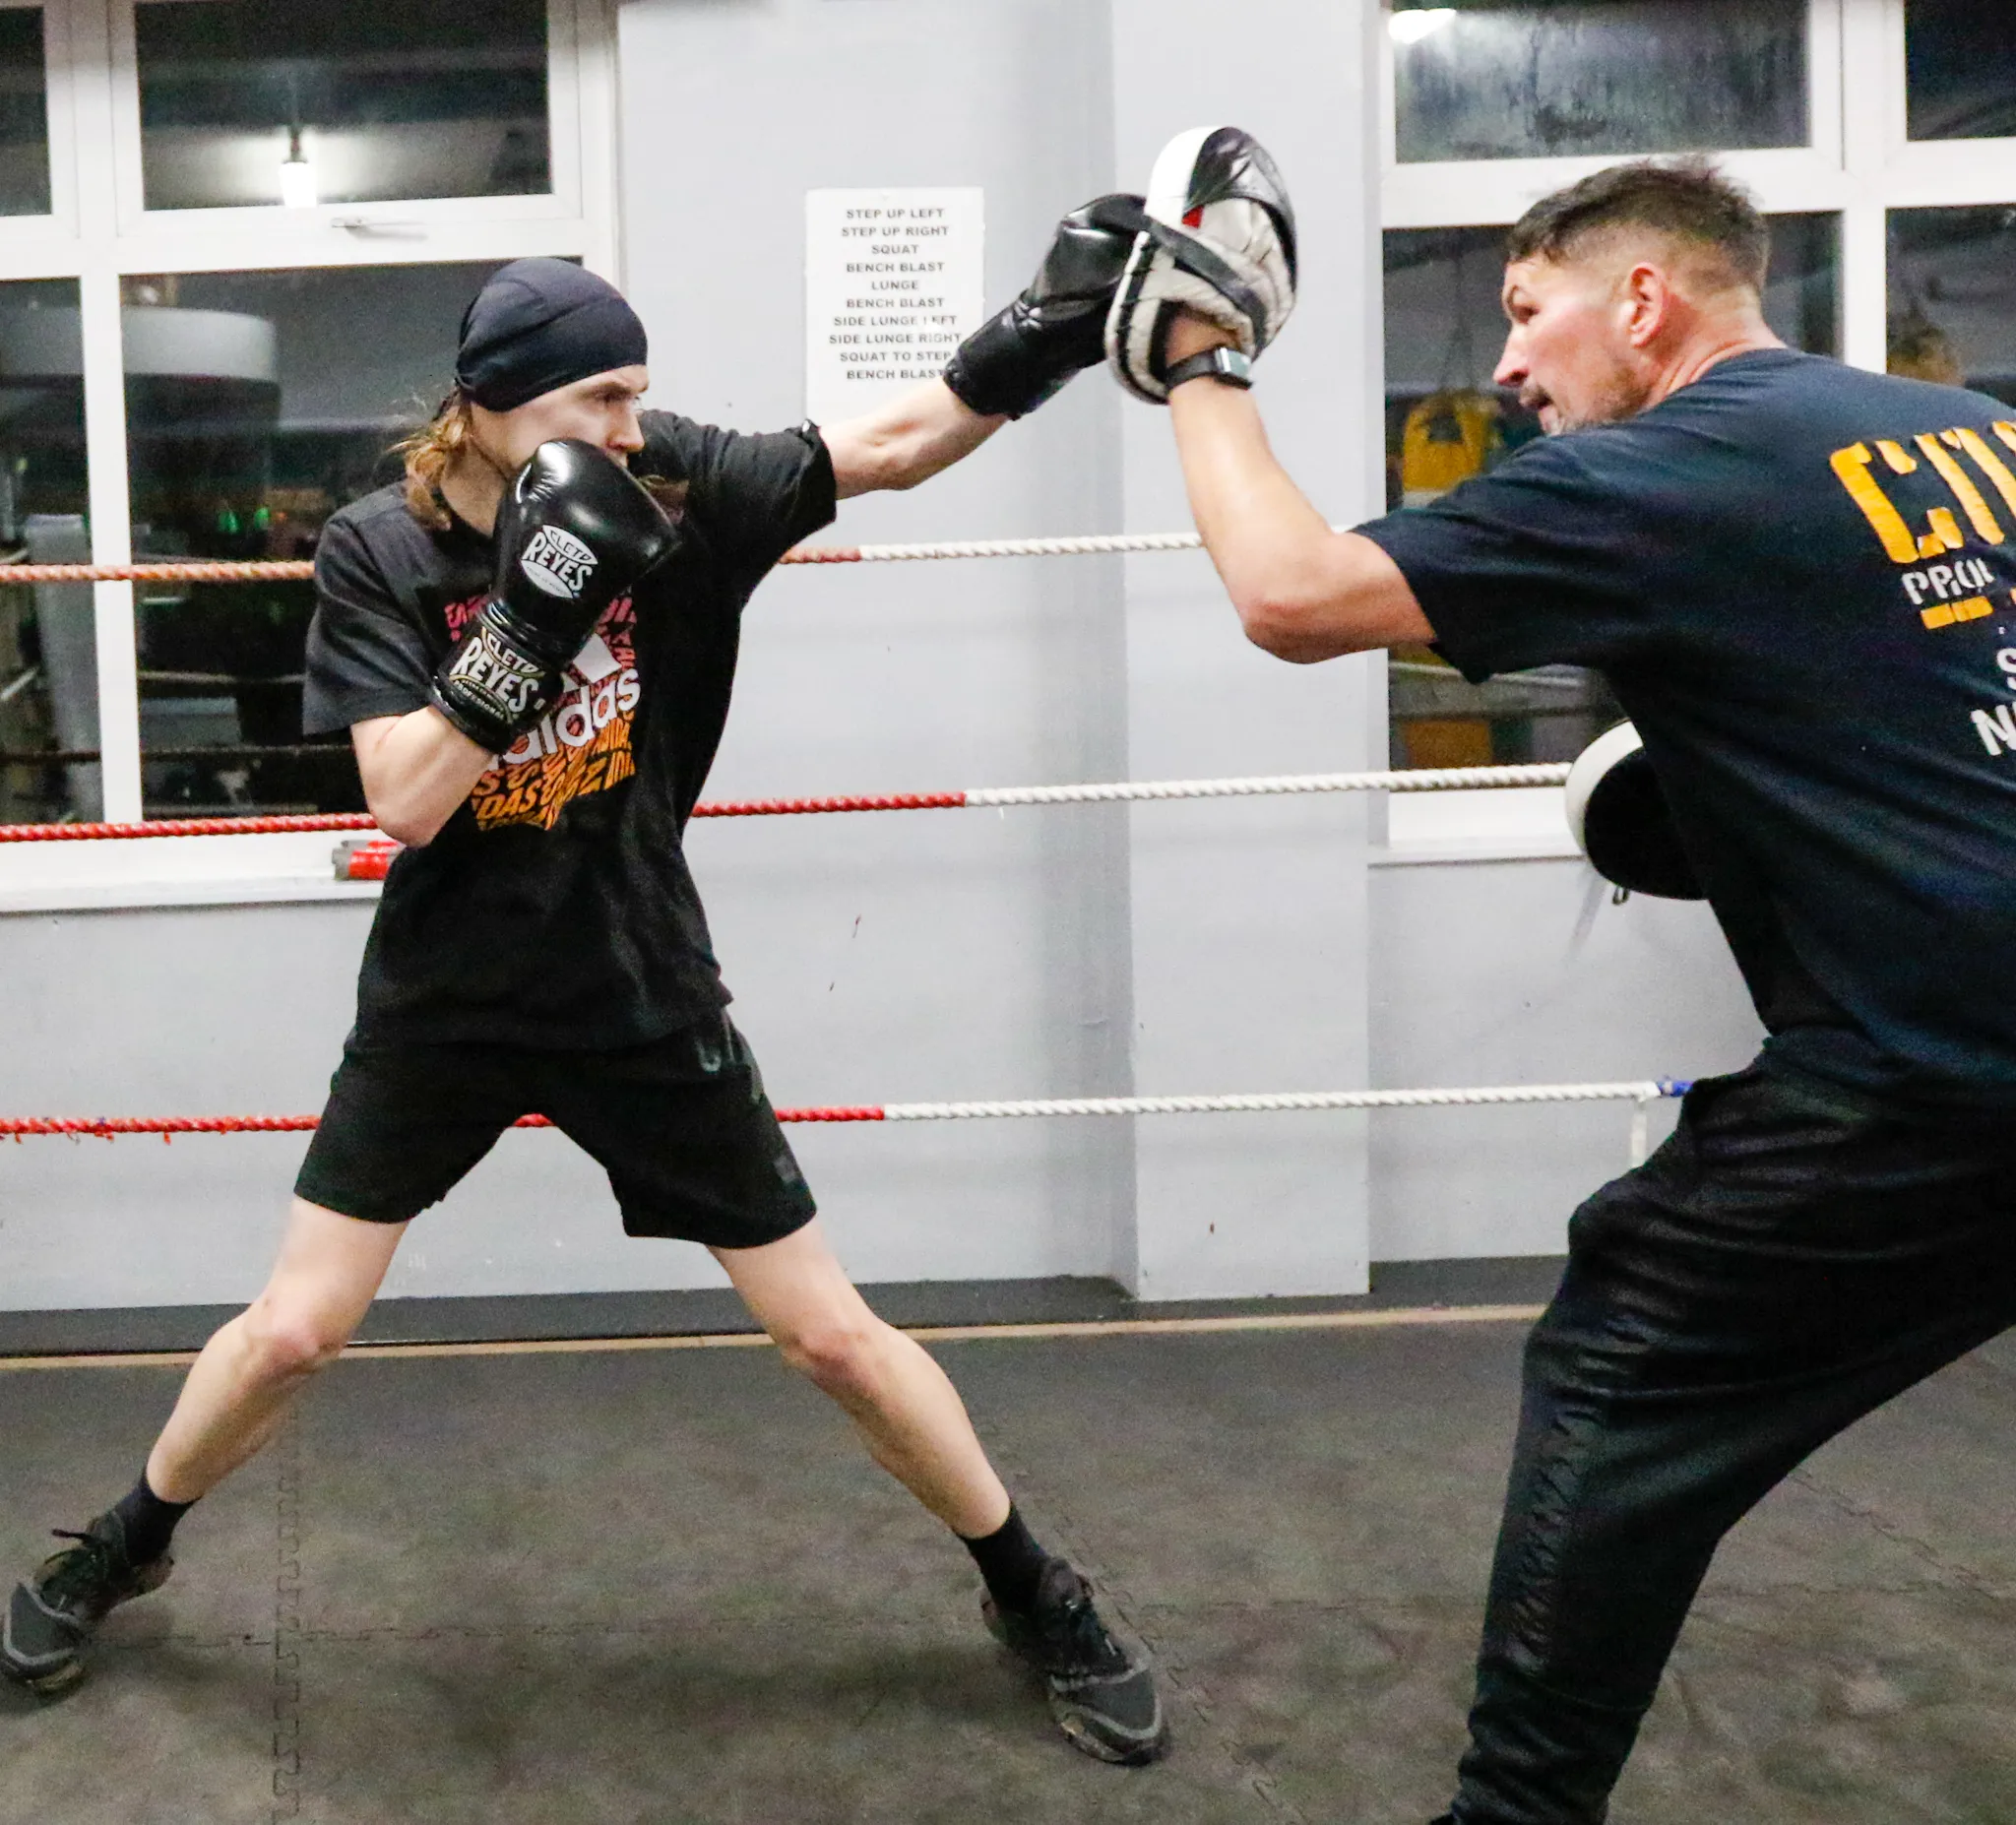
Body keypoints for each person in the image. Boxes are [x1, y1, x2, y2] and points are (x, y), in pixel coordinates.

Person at [4, 238, 1173, 1767]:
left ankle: (1037, 1594)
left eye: (639, 390)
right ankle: (125, 1540)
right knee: (292, 1331)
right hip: (448, 996)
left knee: (828, 1336)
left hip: (635, 976)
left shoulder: (676, 486)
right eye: (598, 396)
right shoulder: (379, 545)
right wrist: (532, 624)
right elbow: (408, 799)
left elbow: (898, 441)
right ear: (489, 408)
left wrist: (1055, 326)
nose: (631, 426)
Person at [1123, 140, 2016, 1820]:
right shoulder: (1975, 437)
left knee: (1624, 1357)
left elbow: (1292, 596)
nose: (1510, 363)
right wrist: (1725, 795)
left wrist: (1201, 360)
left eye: (1529, 315)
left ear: (1646, 299)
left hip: (1939, 1070)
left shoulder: (1664, 473)